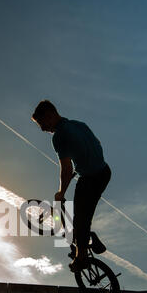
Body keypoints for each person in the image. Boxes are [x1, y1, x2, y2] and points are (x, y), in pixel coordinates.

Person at [31, 99, 111, 272]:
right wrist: (84, 166)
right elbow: (95, 145)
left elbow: (65, 169)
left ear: (50, 115)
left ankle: (80, 257)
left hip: (90, 178)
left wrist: (61, 192)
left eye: (42, 123)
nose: (43, 129)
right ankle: (90, 238)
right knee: (82, 216)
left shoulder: (59, 136)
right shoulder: (79, 125)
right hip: (104, 172)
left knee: (81, 219)